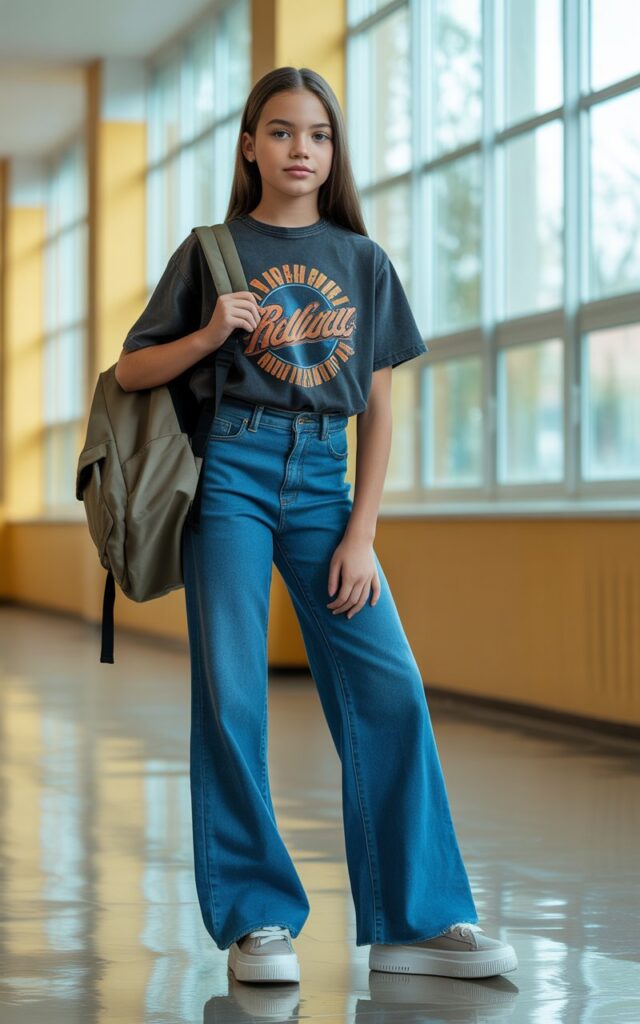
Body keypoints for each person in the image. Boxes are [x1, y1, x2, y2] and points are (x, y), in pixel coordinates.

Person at [115, 66, 518, 985]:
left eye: (320, 135)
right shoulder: (211, 250)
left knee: (391, 686)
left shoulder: (364, 261)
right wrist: (211, 332)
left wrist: (362, 532)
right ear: (251, 144)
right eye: (283, 131)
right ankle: (258, 920)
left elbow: (379, 410)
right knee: (233, 694)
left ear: (335, 152)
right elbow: (133, 374)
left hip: (326, 483)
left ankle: (417, 920)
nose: (303, 149)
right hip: (230, 475)